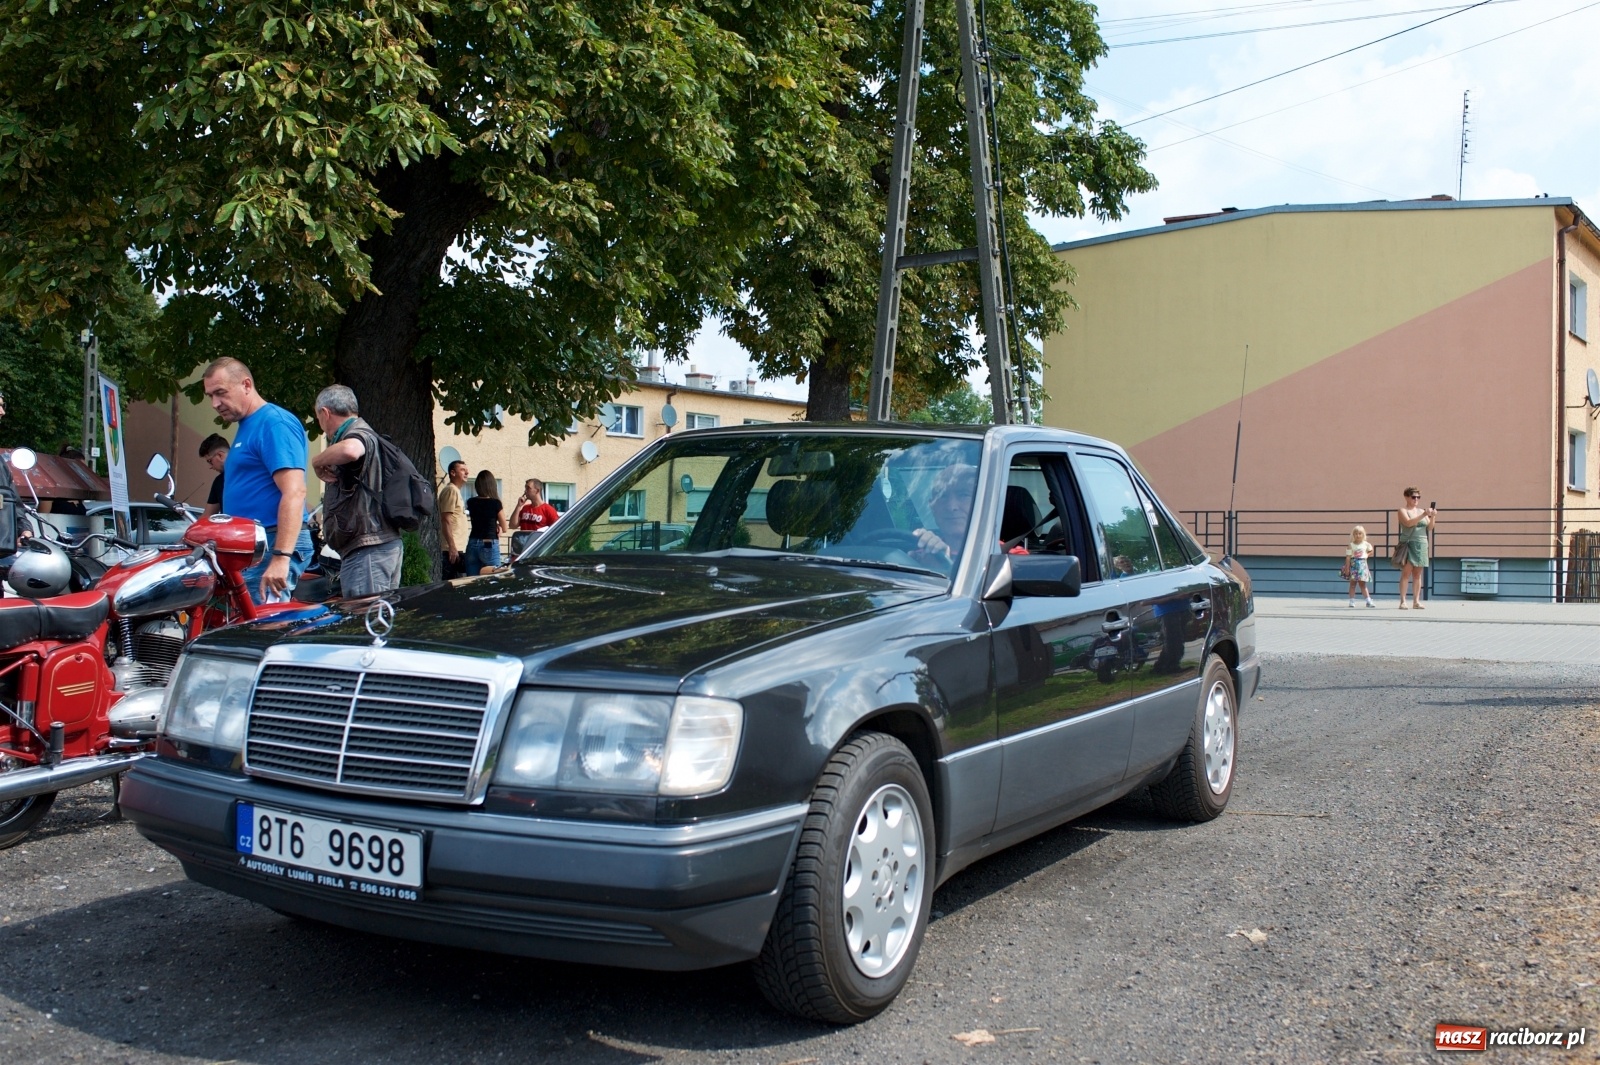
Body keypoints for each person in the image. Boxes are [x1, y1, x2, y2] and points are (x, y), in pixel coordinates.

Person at [201, 357, 313, 602]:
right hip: (252, 544)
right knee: (245, 630)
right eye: (210, 396)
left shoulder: (273, 423)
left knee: (259, 633)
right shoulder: (248, 425)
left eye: (220, 393)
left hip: (271, 542)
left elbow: (295, 492)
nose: (215, 403)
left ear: (246, 385)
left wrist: (281, 557)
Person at [310, 385, 402, 598]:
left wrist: (317, 461)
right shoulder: (361, 432)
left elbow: (351, 450)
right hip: (373, 547)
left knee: (365, 622)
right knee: (376, 620)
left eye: (318, 418)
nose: (321, 426)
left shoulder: (358, 433)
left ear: (325, 413)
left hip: (368, 551)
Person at [910, 463, 977, 572]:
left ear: (982, 502)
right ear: (932, 506)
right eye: (942, 496)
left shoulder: (1003, 556)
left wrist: (941, 571)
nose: (951, 506)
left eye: (964, 495)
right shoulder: (921, 555)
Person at [1396, 487, 1437, 610]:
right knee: (1406, 573)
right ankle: (1403, 601)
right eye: (1413, 497)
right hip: (1409, 543)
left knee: (1418, 574)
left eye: (1418, 497)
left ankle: (1416, 601)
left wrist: (1433, 516)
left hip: (1422, 544)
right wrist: (1424, 514)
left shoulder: (1421, 511)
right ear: (1407, 497)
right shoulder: (1402, 510)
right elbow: (1408, 523)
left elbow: (1429, 528)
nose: (1416, 499)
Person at [464, 470, 508, 574]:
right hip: (488, 543)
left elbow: (480, 517)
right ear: (492, 485)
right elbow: (505, 527)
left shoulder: (471, 502)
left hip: (472, 542)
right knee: (494, 577)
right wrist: (497, 525)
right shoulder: (495, 503)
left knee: (471, 580)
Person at [511, 478, 560, 556]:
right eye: (525, 488)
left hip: (538, 550)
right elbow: (512, 525)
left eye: (528, 488)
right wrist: (518, 506)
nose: (525, 491)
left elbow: (557, 529)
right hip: (523, 549)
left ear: (537, 491)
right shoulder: (525, 508)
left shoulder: (548, 510)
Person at [437, 459, 469, 578]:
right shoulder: (451, 490)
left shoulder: (456, 491)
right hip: (451, 550)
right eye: (462, 470)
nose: (466, 473)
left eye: (467, 470)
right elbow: (446, 519)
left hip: (458, 548)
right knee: (451, 585)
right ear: (453, 473)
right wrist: (452, 546)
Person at [1345, 524, 1377, 608]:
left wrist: (1367, 554)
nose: (1358, 535)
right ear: (1353, 535)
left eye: (1360, 533)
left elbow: (1371, 551)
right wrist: (1347, 568)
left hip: (1362, 566)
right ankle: (1352, 600)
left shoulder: (1366, 544)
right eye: (1356, 533)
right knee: (1352, 584)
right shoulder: (1351, 545)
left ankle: (1368, 601)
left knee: (1363, 584)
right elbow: (1348, 557)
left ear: (1363, 534)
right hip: (1354, 565)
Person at [198, 433, 230, 519]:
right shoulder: (218, 482)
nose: (210, 467)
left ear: (220, 455)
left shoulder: (249, 472)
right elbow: (207, 516)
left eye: (209, 461)